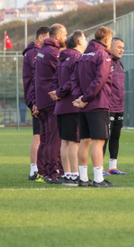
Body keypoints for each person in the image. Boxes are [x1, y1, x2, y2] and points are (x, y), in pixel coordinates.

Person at [72, 26, 118, 187]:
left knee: (85, 141)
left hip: (84, 106)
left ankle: (83, 178)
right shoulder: (103, 55)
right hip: (98, 105)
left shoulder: (83, 55)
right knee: (99, 142)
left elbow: (74, 79)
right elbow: (100, 80)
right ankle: (98, 179)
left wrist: (80, 98)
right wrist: (85, 98)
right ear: (106, 40)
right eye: (111, 40)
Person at [49, 30, 87, 186]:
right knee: (74, 142)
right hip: (72, 105)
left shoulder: (62, 58)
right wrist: (60, 92)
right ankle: (73, 176)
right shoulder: (77, 57)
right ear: (79, 42)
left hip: (61, 106)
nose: (86, 42)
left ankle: (68, 174)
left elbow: (54, 79)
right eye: (85, 39)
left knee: (65, 141)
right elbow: (74, 80)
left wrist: (56, 92)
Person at [35, 23, 67, 184]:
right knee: (55, 139)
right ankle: (54, 173)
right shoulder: (53, 53)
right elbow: (61, 74)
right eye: (65, 35)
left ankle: (48, 172)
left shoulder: (42, 51)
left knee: (47, 139)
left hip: (42, 101)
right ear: (58, 36)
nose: (67, 38)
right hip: (51, 101)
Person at [23, 26, 49, 181]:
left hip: (37, 98)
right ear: (41, 38)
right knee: (38, 135)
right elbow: (36, 78)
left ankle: (40, 167)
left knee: (42, 135)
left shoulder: (33, 52)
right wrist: (35, 102)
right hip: (37, 99)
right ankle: (34, 169)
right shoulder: (34, 53)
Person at [103, 37, 127, 175]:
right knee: (104, 137)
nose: (121, 50)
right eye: (119, 47)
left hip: (119, 106)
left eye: (123, 48)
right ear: (110, 47)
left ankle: (113, 166)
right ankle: (100, 167)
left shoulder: (121, 64)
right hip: (108, 107)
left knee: (116, 137)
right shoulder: (106, 62)